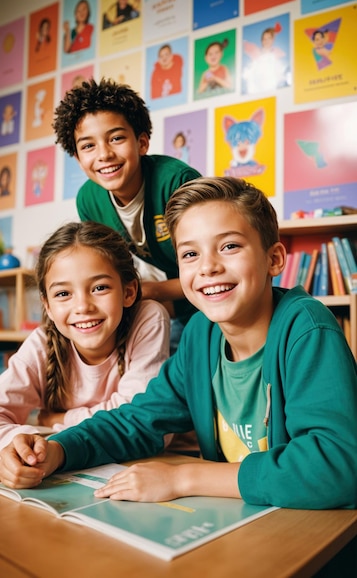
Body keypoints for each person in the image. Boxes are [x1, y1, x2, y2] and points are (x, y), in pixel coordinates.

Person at [1, 177, 356, 512]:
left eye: (229, 246)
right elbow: (139, 420)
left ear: (274, 259)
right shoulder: (201, 334)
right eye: (190, 255)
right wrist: (59, 449)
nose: (208, 268)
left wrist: (183, 477)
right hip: (241, 521)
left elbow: (338, 465)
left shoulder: (307, 329)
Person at [51, 77, 201, 352]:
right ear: (77, 158)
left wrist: (148, 291)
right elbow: (107, 270)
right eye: (88, 146)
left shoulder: (176, 182)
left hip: (207, 302)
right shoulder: (89, 199)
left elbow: (209, 270)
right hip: (160, 308)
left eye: (116, 138)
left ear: (142, 143)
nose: (104, 154)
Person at [0, 220, 170, 450]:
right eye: (63, 293)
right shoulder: (42, 342)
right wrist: (20, 443)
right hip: (69, 461)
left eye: (99, 288)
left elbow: (139, 415)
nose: (83, 306)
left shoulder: (147, 318)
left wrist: (57, 420)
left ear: (128, 292)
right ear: (47, 305)